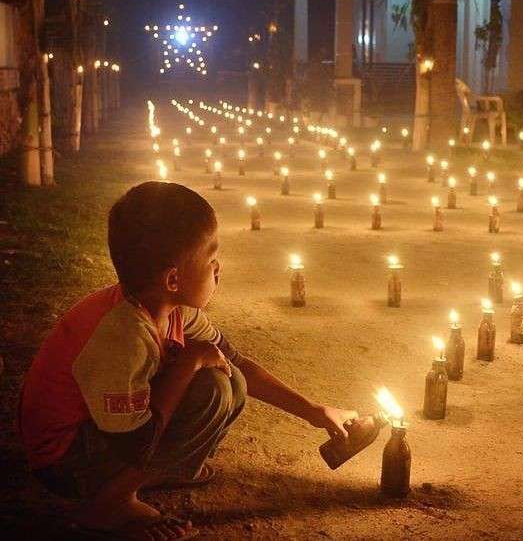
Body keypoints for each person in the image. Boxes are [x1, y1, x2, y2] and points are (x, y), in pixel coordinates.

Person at [18, 181, 357, 540]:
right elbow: (135, 442)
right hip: (66, 461)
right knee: (208, 389)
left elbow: (237, 361)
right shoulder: (121, 334)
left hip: (109, 436)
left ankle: (159, 471)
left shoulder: (170, 309)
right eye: (211, 259)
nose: (218, 268)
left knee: (232, 380)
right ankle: (106, 507)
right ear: (173, 279)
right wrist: (187, 363)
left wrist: (314, 411)